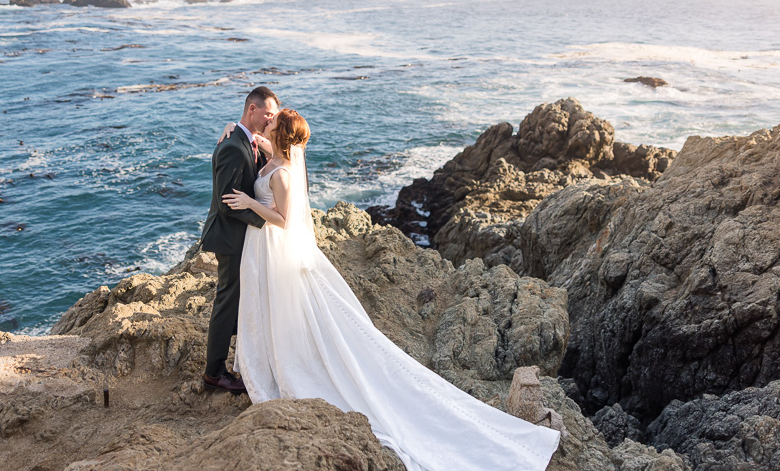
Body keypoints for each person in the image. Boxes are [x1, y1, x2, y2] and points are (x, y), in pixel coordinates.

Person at [221, 109, 562, 471]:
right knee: (274, 310)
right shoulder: (273, 154)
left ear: (281, 133)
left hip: (274, 246)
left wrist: (250, 203)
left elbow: (284, 220)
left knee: (290, 314)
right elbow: (257, 142)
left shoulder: (284, 175)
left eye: (272, 122)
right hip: (265, 251)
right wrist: (238, 131)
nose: (267, 122)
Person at [199, 86, 279, 394]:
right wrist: (267, 222)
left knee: (239, 300)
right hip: (231, 239)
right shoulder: (234, 146)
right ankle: (213, 373)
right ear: (252, 110)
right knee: (227, 302)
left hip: (244, 236)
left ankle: (241, 353)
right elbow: (226, 201)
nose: (270, 119)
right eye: (268, 113)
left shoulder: (249, 141)